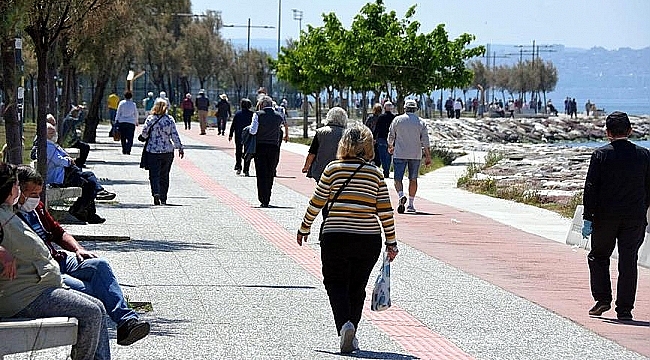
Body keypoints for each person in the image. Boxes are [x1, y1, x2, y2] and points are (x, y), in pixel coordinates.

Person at [16, 165, 150, 345]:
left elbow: (58, 232)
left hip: (57, 259)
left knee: (99, 265)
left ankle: (127, 321)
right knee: (94, 298)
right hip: (44, 270)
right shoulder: (10, 216)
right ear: (18, 190)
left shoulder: (37, 208)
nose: (36, 198)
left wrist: (79, 249)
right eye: (32, 194)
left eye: (39, 194)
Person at [296, 124, 398, 354]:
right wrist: (391, 242)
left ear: (344, 144)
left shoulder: (333, 169)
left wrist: (304, 228)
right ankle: (351, 333)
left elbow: (317, 202)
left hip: (336, 236)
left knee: (335, 283)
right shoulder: (375, 174)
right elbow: (385, 212)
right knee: (357, 286)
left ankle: (345, 326)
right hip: (368, 239)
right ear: (368, 146)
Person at [0, 163, 111, 360]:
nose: (18, 189)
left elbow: (57, 231)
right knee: (92, 312)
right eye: (16, 184)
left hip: (38, 287)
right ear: (7, 187)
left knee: (98, 307)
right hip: (24, 296)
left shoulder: (9, 211)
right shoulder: (2, 215)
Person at [581, 111, 650, 321]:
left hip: (605, 217)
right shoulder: (645, 155)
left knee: (599, 256)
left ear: (607, 133)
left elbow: (591, 187)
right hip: (635, 218)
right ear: (630, 130)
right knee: (629, 262)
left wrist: (588, 217)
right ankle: (625, 309)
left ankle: (602, 299)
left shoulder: (601, 155)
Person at [44, 123, 115, 223]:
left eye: (54, 132)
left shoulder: (50, 145)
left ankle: (97, 195)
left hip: (65, 174)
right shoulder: (47, 146)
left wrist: (68, 159)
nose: (54, 134)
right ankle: (82, 212)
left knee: (89, 176)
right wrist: (68, 160)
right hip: (59, 179)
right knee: (89, 185)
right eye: (51, 133)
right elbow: (59, 160)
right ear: (44, 134)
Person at [388, 99, 432, 213]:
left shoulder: (397, 120)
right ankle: (411, 205)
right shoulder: (421, 122)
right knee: (413, 179)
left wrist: (390, 146)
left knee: (398, 179)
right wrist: (428, 156)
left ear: (405, 108)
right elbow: (425, 140)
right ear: (416, 109)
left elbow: (391, 135)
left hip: (400, 153)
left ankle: (401, 195)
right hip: (415, 154)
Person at [139, 98, 184, 205]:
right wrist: (180, 147)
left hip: (153, 151)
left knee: (154, 174)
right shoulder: (170, 119)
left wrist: (142, 137)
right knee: (165, 175)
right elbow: (174, 135)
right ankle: (163, 197)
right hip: (167, 151)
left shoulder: (150, 119)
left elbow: (144, 133)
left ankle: (156, 193)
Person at [249, 95, 287, 207]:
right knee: (270, 172)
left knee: (261, 173)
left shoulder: (258, 115)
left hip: (260, 146)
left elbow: (253, 131)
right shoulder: (279, 116)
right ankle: (268, 198)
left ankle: (262, 199)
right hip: (274, 147)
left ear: (262, 105)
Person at [301, 107, 348, 182]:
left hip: (321, 169)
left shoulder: (320, 132)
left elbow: (312, 152)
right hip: (340, 169)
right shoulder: (347, 134)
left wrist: (306, 167)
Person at [229, 98, 254, 176]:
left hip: (239, 135)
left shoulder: (238, 114)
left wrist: (230, 134)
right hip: (249, 135)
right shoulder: (252, 114)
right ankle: (246, 170)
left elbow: (233, 125)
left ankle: (238, 166)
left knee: (238, 151)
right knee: (248, 152)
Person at [374, 101, 395, 178]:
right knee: (388, 156)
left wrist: (374, 137)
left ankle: (385, 170)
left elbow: (377, 128)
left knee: (382, 156)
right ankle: (387, 170)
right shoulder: (394, 117)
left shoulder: (381, 117)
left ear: (384, 107)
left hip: (381, 138)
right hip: (391, 139)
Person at [114, 91, 138, 155]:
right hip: (131, 122)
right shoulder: (133, 104)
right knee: (130, 137)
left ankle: (124, 149)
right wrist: (136, 121)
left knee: (123, 137)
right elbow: (135, 113)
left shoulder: (121, 103)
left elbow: (118, 112)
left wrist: (116, 120)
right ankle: (128, 149)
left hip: (122, 122)